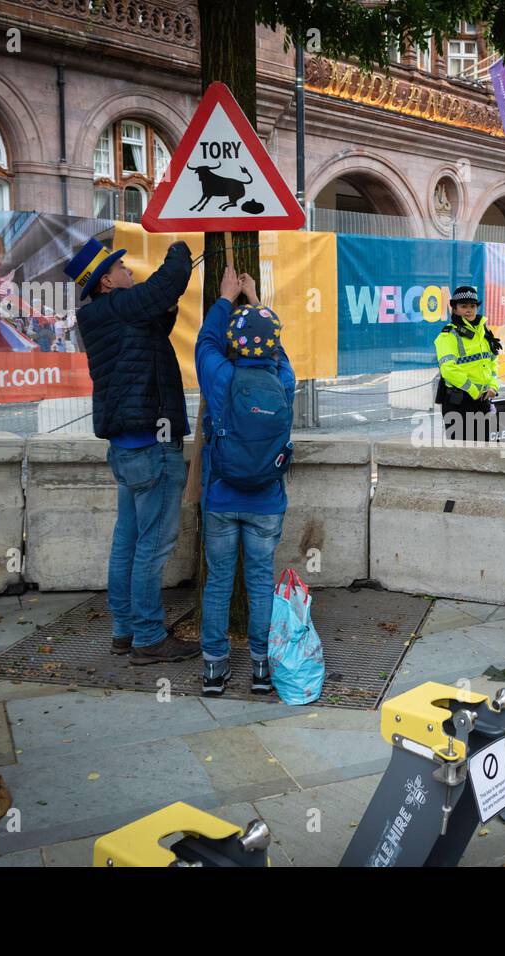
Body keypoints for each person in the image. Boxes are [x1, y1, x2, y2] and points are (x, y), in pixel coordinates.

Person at [67, 236, 197, 664]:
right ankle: (147, 638)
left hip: (126, 452)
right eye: (122, 269)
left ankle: (123, 630)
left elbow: (154, 322)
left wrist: (168, 299)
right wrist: (180, 246)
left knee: (126, 544)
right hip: (152, 449)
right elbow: (167, 282)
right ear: (107, 281)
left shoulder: (101, 316)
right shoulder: (120, 307)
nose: (130, 272)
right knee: (151, 549)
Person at [195, 266, 295, 696]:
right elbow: (278, 347)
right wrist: (255, 299)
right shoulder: (283, 380)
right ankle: (260, 667)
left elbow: (204, 344)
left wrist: (224, 298)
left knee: (219, 582)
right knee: (259, 581)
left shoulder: (222, 377)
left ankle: (215, 669)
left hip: (221, 496)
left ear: (234, 343)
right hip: (266, 500)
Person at [435, 285, 501, 440]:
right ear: (455, 309)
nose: (469, 310)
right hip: (458, 403)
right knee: (461, 453)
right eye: (463, 306)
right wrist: (473, 390)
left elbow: (492, 362)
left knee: (482, 450)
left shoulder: (484, 332)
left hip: (482, 400)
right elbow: (448, 370)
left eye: (472, 306)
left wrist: (493, 385)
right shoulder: (448, 336)